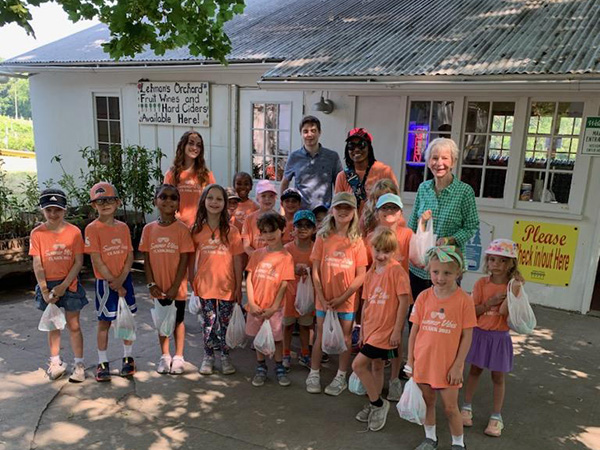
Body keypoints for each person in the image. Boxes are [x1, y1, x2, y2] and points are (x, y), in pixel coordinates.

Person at [407, 246, 477, 450]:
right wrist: (411, 360)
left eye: (447, 272)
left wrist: (457, 365)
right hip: (424, 361)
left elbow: (467, 335)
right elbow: (414, 332)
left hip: (448, 365)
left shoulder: (464, 300)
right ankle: (430, 438)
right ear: (429, 271)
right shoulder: (423, 297)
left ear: (458, 273)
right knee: (428, 402)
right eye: (435, 272)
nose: (440, 277)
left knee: (450, 407)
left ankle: (458, 443)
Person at [407, 138, 479, 323]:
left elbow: (471, 226)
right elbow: (413, 224)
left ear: (453, 162)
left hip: (447, 266)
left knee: (442, 316)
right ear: (428, 161)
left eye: (445, 158)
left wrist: (451, 239)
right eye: (434, 158)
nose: (439, 163)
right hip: (421, 266)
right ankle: (417, 351)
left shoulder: (464, 192)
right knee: (416, 315)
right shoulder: (423, 188)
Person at [306, 192, 368, 396]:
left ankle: (341, 375)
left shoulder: (357, 241)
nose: (343, 211)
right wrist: (322, 297)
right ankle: (314, 372)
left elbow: (361, 275)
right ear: (332, 210)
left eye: (347, 208)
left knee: (346, 337)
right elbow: (315, 270)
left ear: (354, 213)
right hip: (324, 300)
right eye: (339, 207)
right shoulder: (323, 238)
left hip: (346, 301)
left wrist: (343, 297)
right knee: (320, 335)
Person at [352, 227, 411, 432]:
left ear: (393, 251)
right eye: (377, 250)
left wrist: (396, 331)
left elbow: (404, 303)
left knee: (358, 365)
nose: (380, 255)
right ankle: (373, 400)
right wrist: (362, 330)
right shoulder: (370, 273)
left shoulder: (397, 272)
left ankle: (379, 404)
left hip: (386, 331)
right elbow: (366, 303)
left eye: (386, 251)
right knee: (376, 367)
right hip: (371, 329)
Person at [462, 239, 522, 438]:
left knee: (498, 377)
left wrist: (512, 291)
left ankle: (496, 416)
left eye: (502, 261)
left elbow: (506, 314)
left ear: (510, 264)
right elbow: (473, 311)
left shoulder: (512, 286)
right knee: (474, 371)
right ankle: (466, 407)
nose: (496, 264)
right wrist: (490, 303)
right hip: (480, 334)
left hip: (499, 338)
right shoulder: (481, 284)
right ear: (487, 261)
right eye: (492, 259)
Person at [29, 188, 88, 382]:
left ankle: (79, 364)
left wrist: (64, 285)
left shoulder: (74, 232)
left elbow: (78, 262)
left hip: (69, 283)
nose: (53, 214)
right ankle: (55, 362)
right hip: (48, 284)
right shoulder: (37, 234)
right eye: (49, 210)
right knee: (53, 326)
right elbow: (37, 263)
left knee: (74, 325)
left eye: (57, 210)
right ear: (42, 211)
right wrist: (45, 290)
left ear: (64, 210)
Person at [139, 185, 195, 375]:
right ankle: (165, 355)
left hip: (175, 287)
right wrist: (151, 284)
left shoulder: (182, 230)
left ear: (178, 204)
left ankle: (179, 356)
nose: (168, 201)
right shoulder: (148, 229)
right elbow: (146, 259)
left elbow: (184, 260)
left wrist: (176, 286)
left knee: (178, 320)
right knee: (162, 321)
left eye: (173, 198)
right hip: (158, 286)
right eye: (163, 197)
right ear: (155, 201)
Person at [84, 182, 136, 382]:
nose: (104, 204)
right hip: (105, 284)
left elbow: (129, 255)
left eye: (108, 200)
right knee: (104, 322)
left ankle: (127, 357)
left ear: (117, 202)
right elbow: (96, 259)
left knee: (126, 321)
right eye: (99, 201)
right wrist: (113, 282)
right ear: (93, 206)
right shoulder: (92, 229)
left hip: (125, 280)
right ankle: (103, 361)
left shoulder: (123, 227)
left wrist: (122, 279)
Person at [191, 184, 244, 376]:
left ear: (225, 204)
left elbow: (238, 260)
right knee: (208, 322)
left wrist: (239, 286)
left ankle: (225, 355)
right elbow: (191, 258)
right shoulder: (196, 229)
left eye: (219, 199)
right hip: (205, 285)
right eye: (210, 198)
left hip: (227, 286)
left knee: (225, 322)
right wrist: (192, 280)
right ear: (204, 201)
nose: (214, 202)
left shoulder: (232, 231)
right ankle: (208, 355)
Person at [365, 193, 414, 401]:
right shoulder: (371, 236)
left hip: (398, 291)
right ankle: (372, 381)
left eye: (393, 209)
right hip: (379, 293)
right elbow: (372, 264)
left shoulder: (407, 234)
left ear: (400, 212)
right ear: (377, 212)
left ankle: (394, 379)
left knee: (396, 338)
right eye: (385, 208)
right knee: (375, 340)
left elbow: (418, 258)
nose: (389, 212)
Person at [245, 212, 295, 387]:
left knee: (277, 338)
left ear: (281, 230)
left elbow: (283, 284)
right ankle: (261, 368)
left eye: (273, 230)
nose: (269, 235)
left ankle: (279, 367)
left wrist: (274, 307)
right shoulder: (257, 254)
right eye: (265, 231)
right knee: (258, 339)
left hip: (275, 309)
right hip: (256, 306)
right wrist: (251, 303)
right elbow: (249, 279)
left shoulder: (286, 257)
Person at [281, 115, 343, 210]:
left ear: (319, 132)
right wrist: (283, 208)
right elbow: (285, 183)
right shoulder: (294, 157)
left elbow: (339, 185)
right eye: (305, 131)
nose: (309, 135)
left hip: (324, 213)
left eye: (313, 131)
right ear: (301, 134)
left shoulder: (332, 157)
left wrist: (336, 208)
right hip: (301, 214)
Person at [335, 128, 398, 215]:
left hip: (377, 226)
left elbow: (395, 204)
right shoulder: (342, 176)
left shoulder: (384, 171)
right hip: (351, 227)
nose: (356, 149)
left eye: (361, 145)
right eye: (351, 146)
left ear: (369, 147)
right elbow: (337, 208)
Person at [283, 210, 316, 371]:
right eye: (299, 226)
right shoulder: (287, 249)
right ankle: (285, 353)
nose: (303, 229)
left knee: (305, 326)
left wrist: (309, 270)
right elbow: (280, 269)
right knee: (287, 325)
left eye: (307, 226)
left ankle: (304, 353)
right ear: (293, 229)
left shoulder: (316, 249)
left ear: (314, 230)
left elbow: (319, 270)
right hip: (289, 293)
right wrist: (293, 269)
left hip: (308, 294)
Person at [164, 131, 216, 227]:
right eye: (191, 143)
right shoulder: (171, 174)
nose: (195, 148)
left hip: (200, 226)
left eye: (198, 145)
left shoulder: (207, 175)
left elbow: (213, 202)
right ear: (183, 145)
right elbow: (166, 202)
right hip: (177, 225)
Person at [242, 180, 277, 255]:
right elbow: (246, 246)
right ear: (257, 198)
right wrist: (257, 256)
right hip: (254, 260)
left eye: (271, 196)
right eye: (263, 196)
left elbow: (281, 244)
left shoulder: (279, 219)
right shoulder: (249, 219)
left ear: (275, 198)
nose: (267, 199)